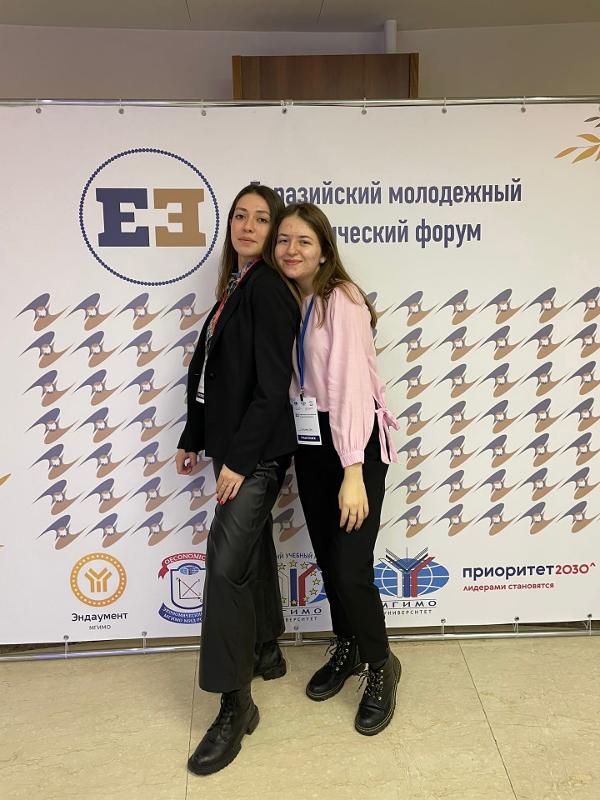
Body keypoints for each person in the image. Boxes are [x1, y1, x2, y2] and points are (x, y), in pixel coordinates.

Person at [176, 185, 300, 774]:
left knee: (225, 568)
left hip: (256, 456)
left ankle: (235, 703)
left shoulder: (268, 289)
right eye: (240, 216)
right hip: (232, 449)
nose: (248, 225)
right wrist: (192, 434)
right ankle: (266, 648)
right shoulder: (236, 284)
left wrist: (239, 461)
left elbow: (273, 390)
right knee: (249, 548)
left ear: (273, 231)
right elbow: (212, 372)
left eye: (262, 219)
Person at [270, 202, 401, 736]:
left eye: (303, 240)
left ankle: (381, 665)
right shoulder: (290, 299)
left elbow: (350, 389)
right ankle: (346, 644)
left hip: (353, 441)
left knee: (350, 567)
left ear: (324, 250)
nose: (291, 249)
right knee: (328, 558)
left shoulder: (341, 299)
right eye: (283, 240)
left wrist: (352, 470)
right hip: (311, 441)